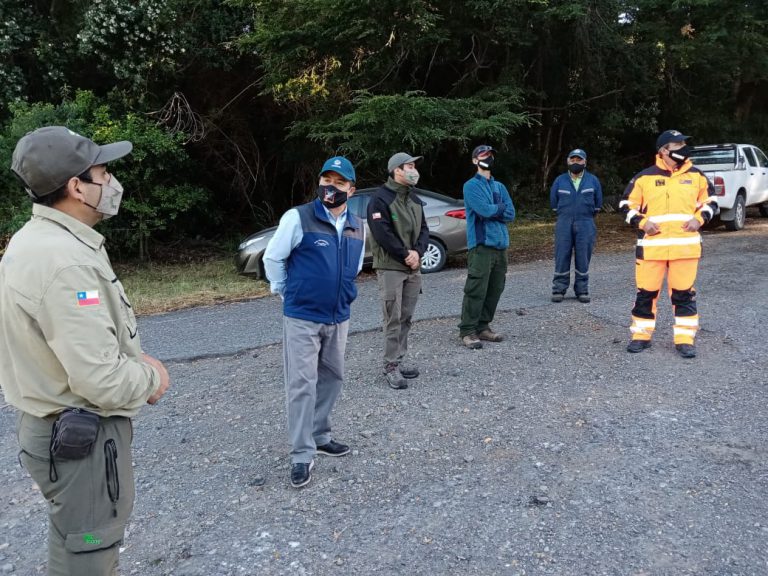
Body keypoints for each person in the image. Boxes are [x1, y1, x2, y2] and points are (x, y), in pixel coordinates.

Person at [0, 126, 171, 575]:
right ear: (77, 186)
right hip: (81, 441)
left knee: (74, 538)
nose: (112, 182)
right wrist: (152, 378)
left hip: (54, 434)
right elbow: (102, 380)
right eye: (104, 171)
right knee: (92, 544)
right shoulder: (65, 262)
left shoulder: (34, 242)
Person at [263, 156, 365, 488]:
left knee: (333, 377)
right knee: (302, 384)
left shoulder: (358, 225)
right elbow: (273, 257)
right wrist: (284, 291)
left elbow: (356, 266)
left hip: (339, 316)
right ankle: (301, 454)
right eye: (326, 180)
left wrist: (344, 290)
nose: (330, 188)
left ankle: (321, 435)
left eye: (338, 183)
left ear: (351, 189)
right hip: (303, 318)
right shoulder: (298, 217)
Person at [619, 129, 718, 358]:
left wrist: (699, 218)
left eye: (684, 143)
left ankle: (685, 339)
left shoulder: (697, 176)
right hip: (652, 249)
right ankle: (641, 336)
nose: (683, 148)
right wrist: (642, 222)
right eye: (677, 145)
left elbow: (711, 202)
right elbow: (625, 205)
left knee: (683, 294)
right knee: (646, 294)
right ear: (663, 150)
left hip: (685, 249)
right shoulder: (644, 178)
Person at [366, 152, 429, 390]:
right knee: (392, 318)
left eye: (414, 166)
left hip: (413, 266)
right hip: (391, 267)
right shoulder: (380, 199)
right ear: (397, 170)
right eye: (409, 166)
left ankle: (399, 359)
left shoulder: (413, 198)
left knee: (406, 317)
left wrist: (418, 253)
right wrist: (405, 255)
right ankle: (390, 365)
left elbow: (424, 228)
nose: (414, 169)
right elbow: (382, 234)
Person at [458, 145, 516, 349]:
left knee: (495, 288)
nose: (487, 158)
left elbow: (511, 213)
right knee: (476, 288)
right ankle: (467, 330)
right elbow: (483, 210)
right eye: (483, 155)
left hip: (501, 246)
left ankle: (483, 327)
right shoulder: (471, 186)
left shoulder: (500, 186)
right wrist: (498, 208)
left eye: (490, 155)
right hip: (481, 246)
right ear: (475, 160)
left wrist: (496, 210)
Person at [550, 148, 603, 303]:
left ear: (584, 162)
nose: (575, 162)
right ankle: (559, 289)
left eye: (578, 160)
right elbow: (554, 203)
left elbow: (598, 203)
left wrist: (585, 216)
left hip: (585, 222)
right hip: (564, 222)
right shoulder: (560, 180)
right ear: (568, 161)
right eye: (572, 159)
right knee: (562, 256)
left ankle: (582, 290)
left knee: (583, 256)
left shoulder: (593, 180)